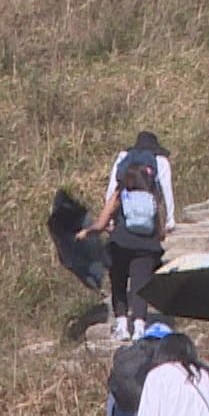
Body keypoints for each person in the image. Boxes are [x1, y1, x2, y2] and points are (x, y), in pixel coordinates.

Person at [81, 132, 176, 340]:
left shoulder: (120, 193)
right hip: (146, 247)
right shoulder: (153, 195)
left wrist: (88, 232)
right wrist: (165, 227)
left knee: (119, 282)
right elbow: (160, 228)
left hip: (120, 243)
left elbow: (101, 222)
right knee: (140, 285)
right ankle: (140, 327)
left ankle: (122, 325)